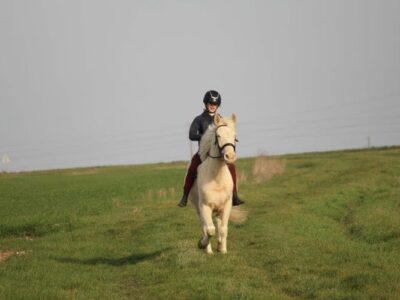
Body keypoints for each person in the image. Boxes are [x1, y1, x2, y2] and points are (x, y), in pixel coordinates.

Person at [178, 90, 245, 207]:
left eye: (215, 104)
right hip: (203, 152)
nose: (212, 106)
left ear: (217, 105)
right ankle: (185, 196)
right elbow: (191, 134)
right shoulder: (199, 119)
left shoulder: (222, 120)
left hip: (219, 153)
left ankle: (234, 196)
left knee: (232, 167)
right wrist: (204, 137)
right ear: (206, 104)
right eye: (210, 104)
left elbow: (228, 135)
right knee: (192, 168)